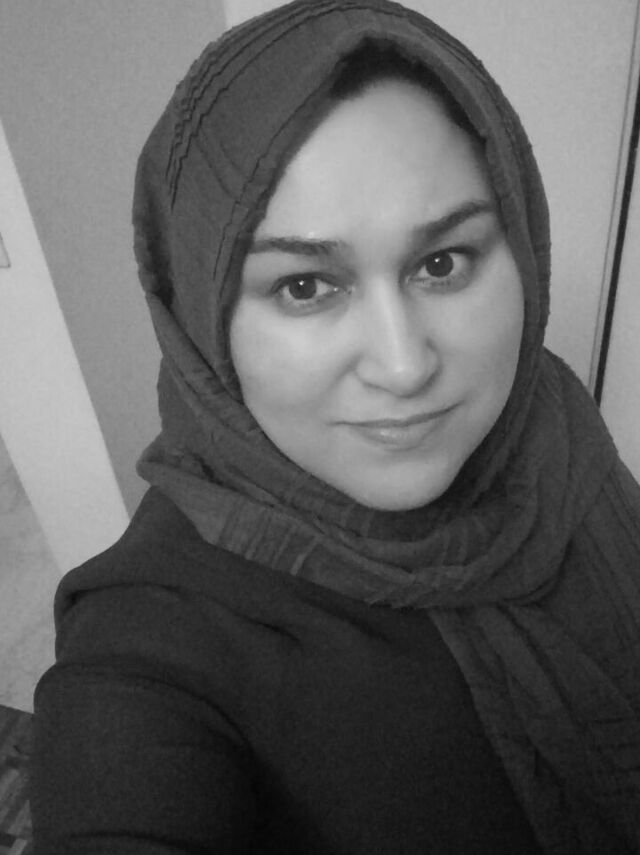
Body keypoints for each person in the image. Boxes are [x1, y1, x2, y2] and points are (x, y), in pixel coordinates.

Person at [31, 0, 640, 853]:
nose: (404, 365)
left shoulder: (550, 429)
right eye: (306, 286)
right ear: (201, 318)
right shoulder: (148, 648)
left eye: (442, 262)